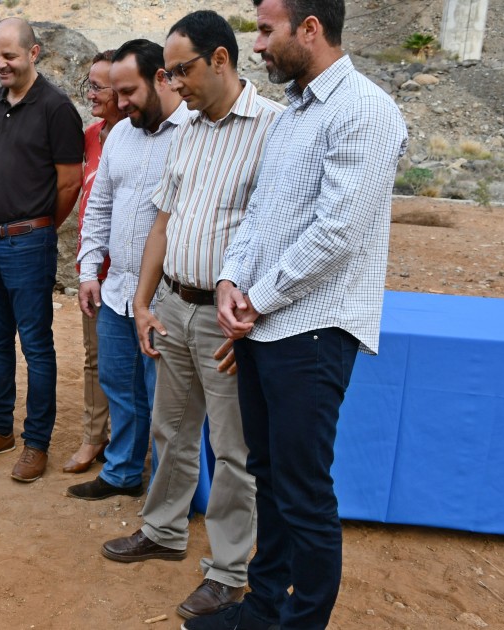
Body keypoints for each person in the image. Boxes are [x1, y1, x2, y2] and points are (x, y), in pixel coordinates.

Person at [188, 0, 408, 628]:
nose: (256, 46)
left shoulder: (364, 109)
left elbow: (339, 230)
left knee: (304, 491)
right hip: (267, 326)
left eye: (265, 30)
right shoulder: (294, 116)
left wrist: (257, 297)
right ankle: (262, 607)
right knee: (270, 475)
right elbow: (260, 216)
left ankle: (301, 621)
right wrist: (232, 278)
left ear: (309, 29)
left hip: (314, 329)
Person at [96, 11, 283, 621]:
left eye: (182, 70)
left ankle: (229, 573)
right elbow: (164, 221)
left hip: (230, 321)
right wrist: (146, 303)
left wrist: (251, 317)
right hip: (175, 303)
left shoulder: (273, 130)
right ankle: (163, 530)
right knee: (170, 428)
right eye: (168, 73)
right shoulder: (191, 130)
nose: (173, 83)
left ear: (221, 60)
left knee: (232, 452)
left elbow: (277, 234)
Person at [0, 18, 83, 483]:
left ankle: (36, 442)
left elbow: (69, 182)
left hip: (28, 244)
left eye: (9, 55)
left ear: (34, 53)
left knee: (36, 345)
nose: (0, 64)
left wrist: (38, 226)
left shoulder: (57, 108)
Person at [71, 39, 189, 500]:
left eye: (128, 93)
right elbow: (97, 208)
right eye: (115, 94)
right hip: (116, 289)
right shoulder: (119, 135)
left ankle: (164, 492)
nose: (119, 104)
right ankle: (121, 472)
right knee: (118, 385)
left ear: (161, 77)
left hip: (166, 299)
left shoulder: (194, 133)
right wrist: (87, 272)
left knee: (165, 400)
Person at [62, 49, 124, 475]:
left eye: (99, 87)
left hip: (133, 274)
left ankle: (125, 443)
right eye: (90, 84)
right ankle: (92, 438)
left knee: (129, 363)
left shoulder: (146, 135)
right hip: (94, 272)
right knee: (94, 358)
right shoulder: (89, 136)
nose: (91, 94)